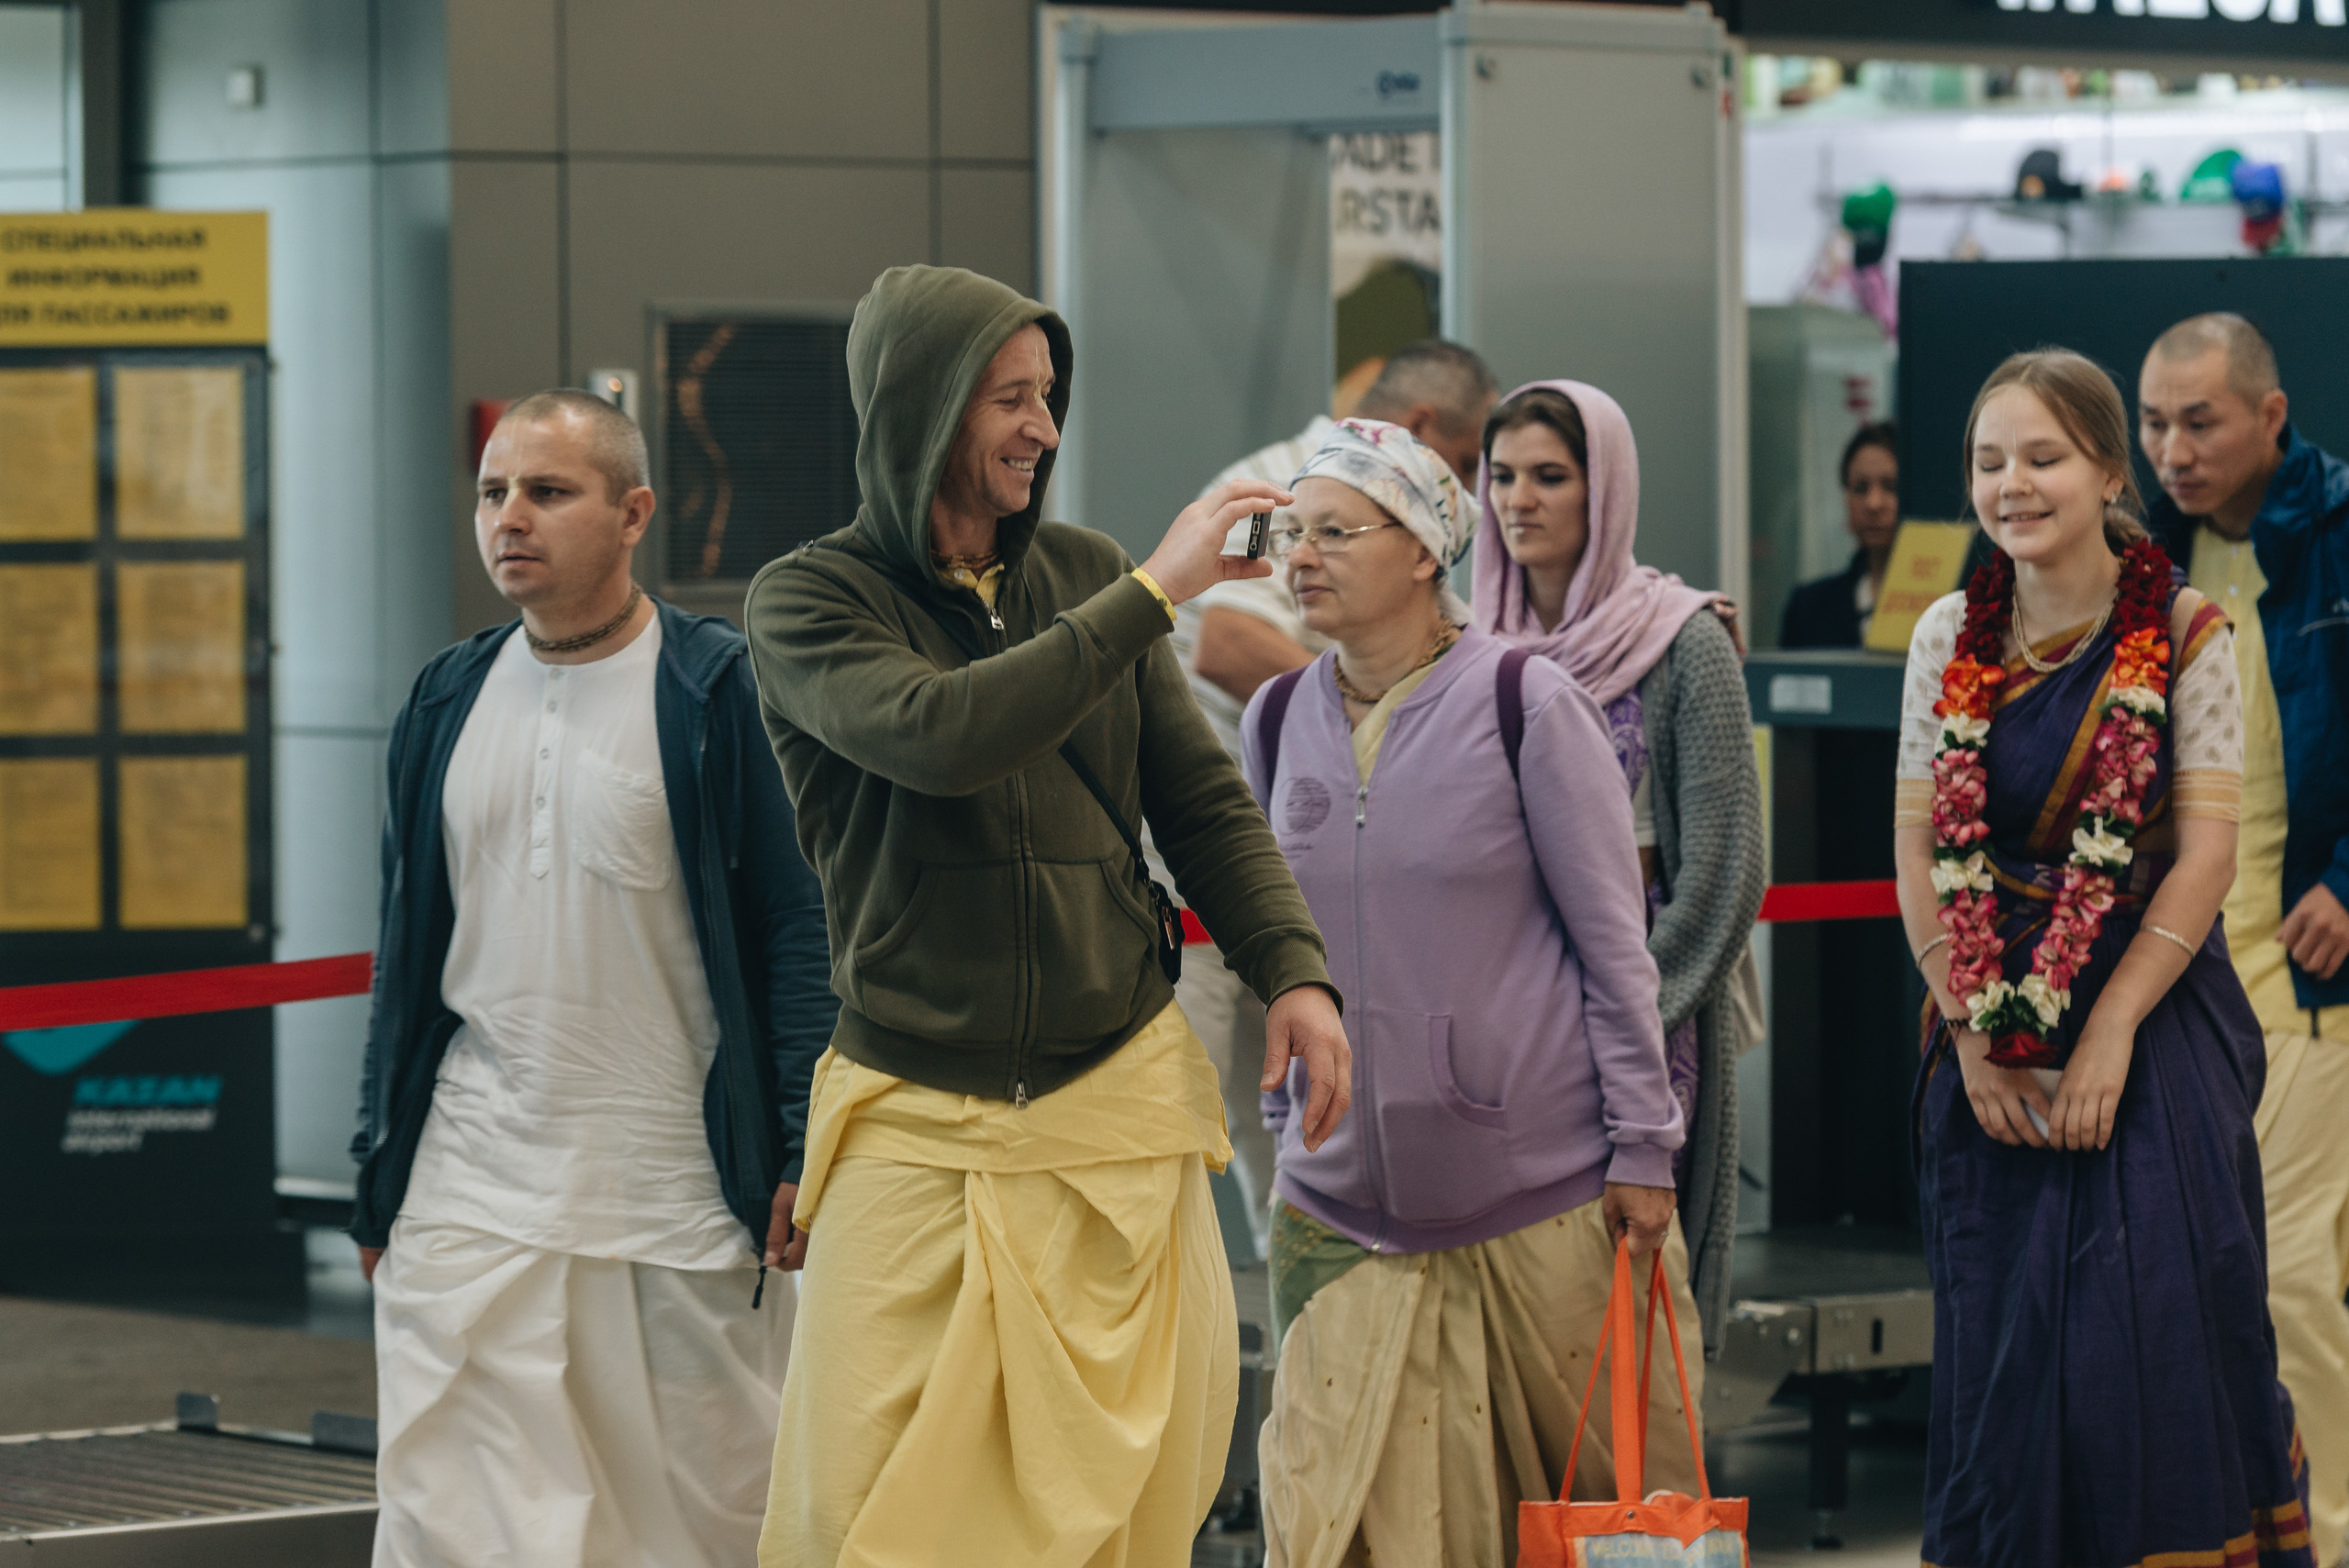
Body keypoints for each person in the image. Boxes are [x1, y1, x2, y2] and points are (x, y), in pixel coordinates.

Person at [741, 264, 1352, 1566]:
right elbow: (942, 736)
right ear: (924, 407)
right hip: (913, 1103)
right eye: (1011, 397)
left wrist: (1295, 969)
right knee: (862, 1504)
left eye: (1050, 395)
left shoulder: (1079, 570)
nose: (1044, 427)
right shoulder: (807, 599)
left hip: (1115, 1097)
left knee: (1122, 1501)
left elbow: (1199, 804)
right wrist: (1155, 593)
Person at [350, 391, 837, 1568]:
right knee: (453, 1522)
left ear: (633, 514)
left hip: (669, 1190)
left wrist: (798, 1140)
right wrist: (380, 1155)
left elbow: (796, 926)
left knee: (688, 1527)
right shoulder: (442, 696)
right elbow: (404, 948)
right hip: (469, 1182)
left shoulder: (721, 689)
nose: (509, 516)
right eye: (492, 492)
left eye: (546, 491)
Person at [1241, 417, 1697, 1568]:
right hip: (1338, 1211)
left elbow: (1614, 944)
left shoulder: (1524, 702)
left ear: (1422, 548)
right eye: (1291, 532)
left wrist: (1643, 1144)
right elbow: (1268, 950)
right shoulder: (1273, 718)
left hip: (1538, 1202)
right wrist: (1283, 1127)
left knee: (1588, 1523)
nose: (1302, 556)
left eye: (1335, 531)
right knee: (1333, 1530)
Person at [1894, 348, 2310, 1568]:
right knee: (2003, 1368)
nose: (2011, 485)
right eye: (1988, 461)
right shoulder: (1945, 634)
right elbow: (1917, 850)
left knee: (2152, 1353)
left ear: (2109, 471)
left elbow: (2206, 856)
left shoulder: (2186, 632)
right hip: (1984, 1047)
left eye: (2042, 457)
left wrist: (2112, 1030)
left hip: (2152, 1038)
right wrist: (1975, 1034)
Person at [1167, 339, 1498, 1260]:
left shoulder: (1396, 524)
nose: (1470, 486)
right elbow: (1227, 641)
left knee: (1297, 1126)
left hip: (1289, 866)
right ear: (1426, 429)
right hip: (1188, 868)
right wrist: (1380, 698)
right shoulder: (1282, 493)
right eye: (1468, 461)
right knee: (1182, 1130)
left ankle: (1303, 1341)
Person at [1471, 380, 1766, 1347]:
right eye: (1502, 475)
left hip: (1650, 1014)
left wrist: (1623, 1018)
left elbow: (1723, 873)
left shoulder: (1683, 642)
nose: (1519, 499)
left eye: (1550, 476)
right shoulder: (1469, 650)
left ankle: (1634, 1504)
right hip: (1506, 1025)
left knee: (1635, 1307)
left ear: (1607, 492)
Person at [2142, 311, 2349, 1568]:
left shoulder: (2335, 538)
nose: (2175, 448)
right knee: (2220, 1287)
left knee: (2289, 1287)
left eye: (2201, 421)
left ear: (2270, 418)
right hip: (2189, 983)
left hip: (2316, 974)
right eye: (2156, 423)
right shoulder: (2141, 562)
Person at [1780, 420, 1900, 648]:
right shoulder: (1808, 607)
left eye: (1891, 487)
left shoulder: (1952, 602)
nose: (1873, 504)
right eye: (1860, 488)